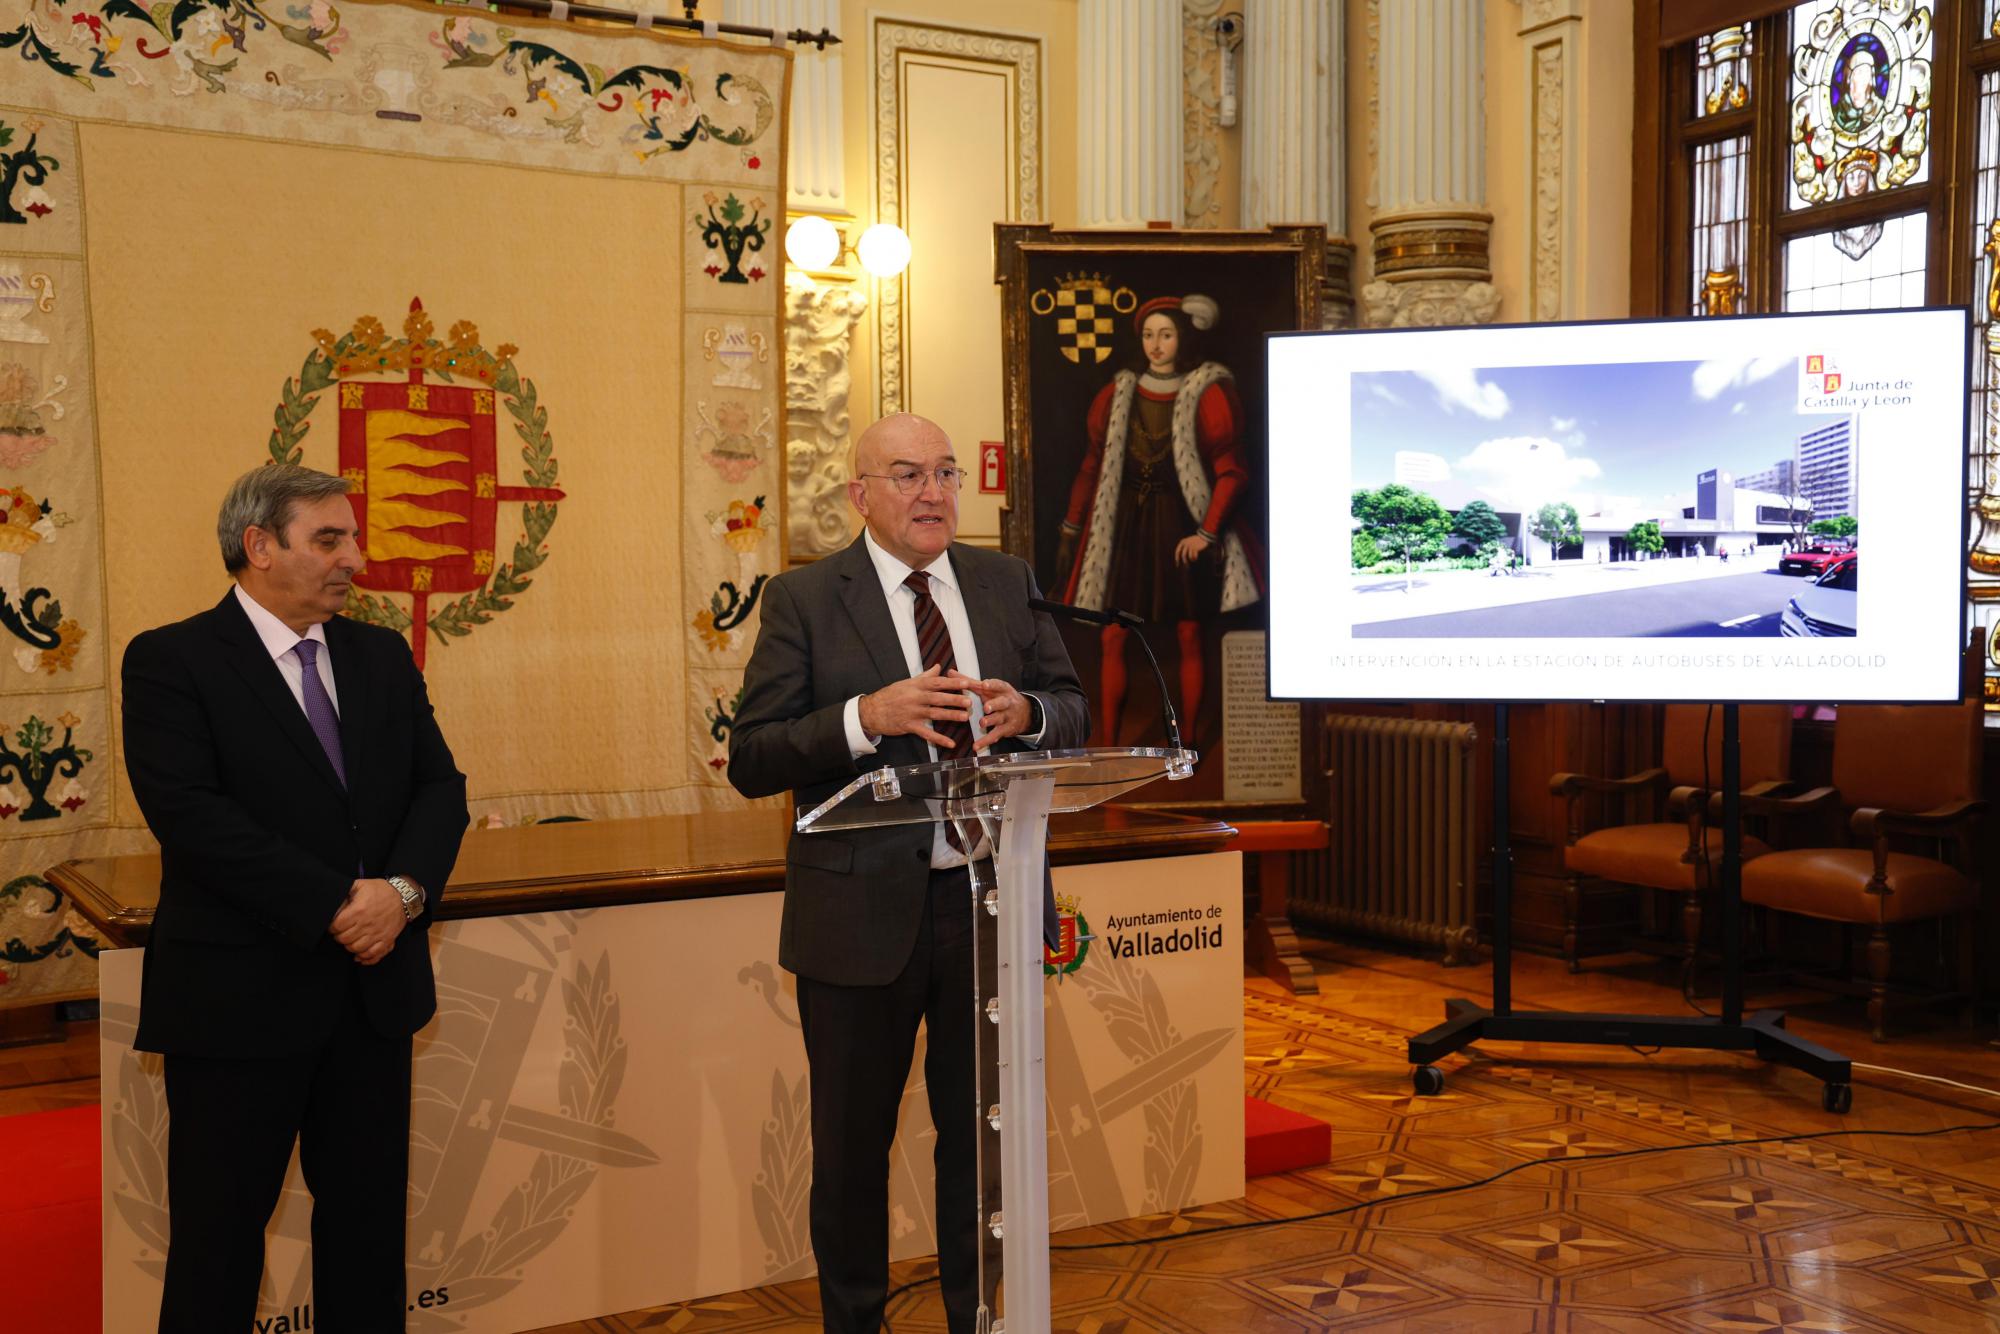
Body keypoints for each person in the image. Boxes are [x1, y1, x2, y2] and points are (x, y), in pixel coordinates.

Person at [729, 413, 1090, 1334]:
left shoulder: (1006, 583)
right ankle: (856, 1324)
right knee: (853, 1152)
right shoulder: (806, 598)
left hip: (989, 905)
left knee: (983, 1144)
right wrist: (864, 713)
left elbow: (1074, 705)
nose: (933, 494)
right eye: (906, 475)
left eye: (944, 473)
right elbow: (755, 755)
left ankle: (981, 1318)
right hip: (858, 917)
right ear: (860, 494)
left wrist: (1030, 712)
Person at [122, 464, 468, 1333]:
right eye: (330, 540)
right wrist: (337, 906)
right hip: (237, 1004)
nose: (356, 557)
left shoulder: (380, 654)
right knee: (218, 1245)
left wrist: (401, 894)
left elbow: (440, 790)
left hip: (370, 1001)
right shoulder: (173, 661)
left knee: (366, 1241)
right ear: (259, 547)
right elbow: (193, 819)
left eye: (352, 537)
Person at [1054, 293, 1263, 748]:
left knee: (1189, 633)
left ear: (1181, 337)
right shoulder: (1118, 393)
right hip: (1126, 527)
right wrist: (1072, 524)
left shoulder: (1207, 392)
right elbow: (1093, 466)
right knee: (1113, 636)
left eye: (1165, 334)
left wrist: (1206, 532)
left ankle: (1186, 742)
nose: (1156, 344)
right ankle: (1108, 742)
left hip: (1180, 526)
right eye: (1149, 335)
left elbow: (1232, 472)